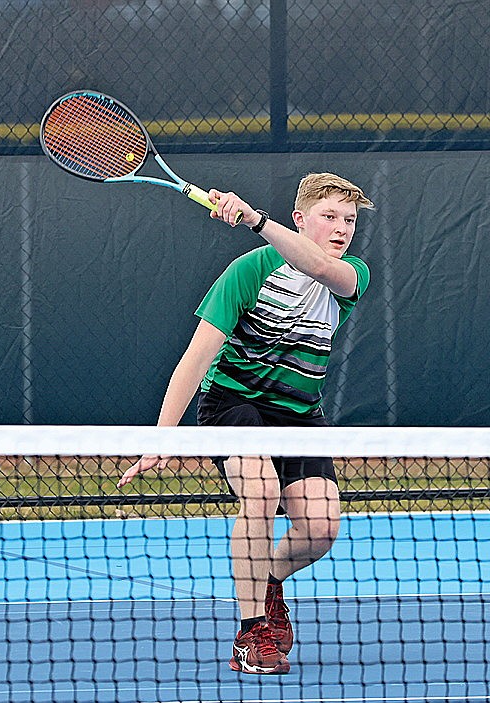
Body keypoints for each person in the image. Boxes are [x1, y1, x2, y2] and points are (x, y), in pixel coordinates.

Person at [117, 172, 374, 675]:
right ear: (300, 219)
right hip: (233, 404)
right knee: (257, 491)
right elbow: (195, 359)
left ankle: (269, 580)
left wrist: (255, 218)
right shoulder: (248, 272)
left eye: (349, 220)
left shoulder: (352, 275)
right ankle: (251, 630)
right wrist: (162, 439)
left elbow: (323, 268)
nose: (342, 228)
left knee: (321, 529)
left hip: (298, 414)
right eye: (329, 216)